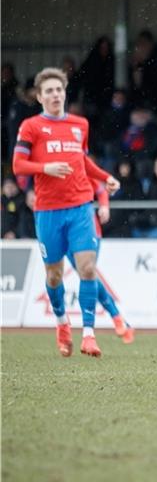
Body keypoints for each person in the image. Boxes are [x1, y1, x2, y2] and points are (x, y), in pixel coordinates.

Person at [11, 67, 121, 358]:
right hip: (48, 211)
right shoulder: (31, 126)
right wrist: (44, 168)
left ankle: (88, 335)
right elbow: (18, 166)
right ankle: (61, 323)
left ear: (65, 92)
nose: (55, 95)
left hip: (80, 207)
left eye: (59, 89)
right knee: (55, 277)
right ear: (39, 97)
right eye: (49, 90)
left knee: (87, 268)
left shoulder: (79, 124)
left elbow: (82, 161)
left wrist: (103, 177)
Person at [65, 182, 135, 344]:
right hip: (64, 231)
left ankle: (111, 320)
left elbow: (100, 188)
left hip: (88, 229)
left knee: (87, 273)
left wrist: (104, 205)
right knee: (88, 275)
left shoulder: (79, 166)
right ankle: (118, 318)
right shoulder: (52, 170)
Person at [128, 29, 157, 114]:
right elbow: (135, 83)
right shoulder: (138, 61)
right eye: (139, 44)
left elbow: (151, 85)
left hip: (149, 103)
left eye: (143, 44)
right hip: (137, 103)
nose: (140, 47)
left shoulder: (156, 60)